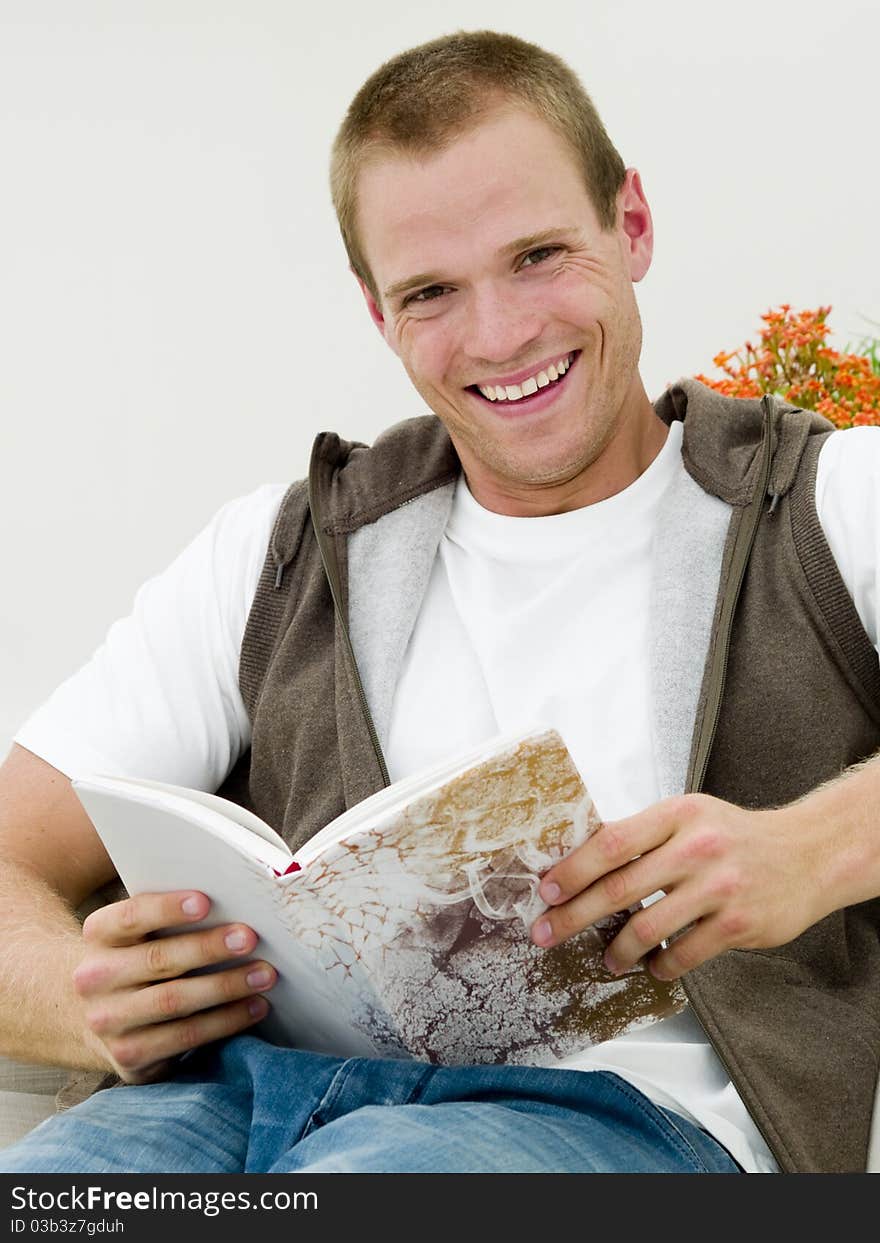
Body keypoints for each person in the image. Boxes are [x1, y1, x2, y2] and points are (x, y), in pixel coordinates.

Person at [1, 30, 878, 1176]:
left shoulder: (830, 499)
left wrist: (809, 850)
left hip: (613, 1128)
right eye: (431, 292)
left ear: (634, 224)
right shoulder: (272, 553)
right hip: (233, 1101)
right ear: (376, 313)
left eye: (537, 255)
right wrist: (82, 998)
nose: (501, 336)